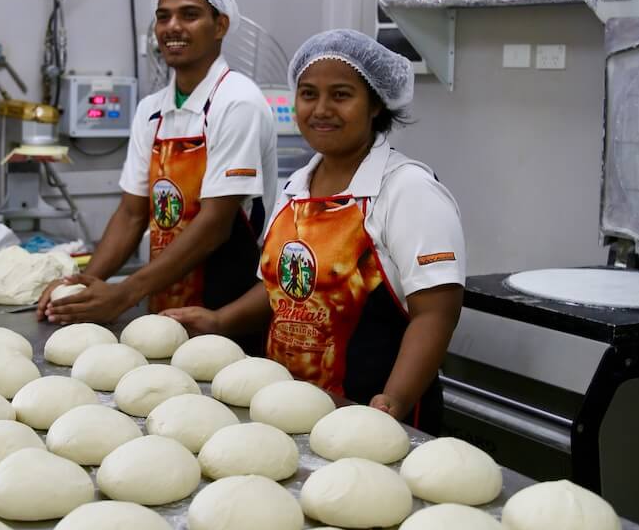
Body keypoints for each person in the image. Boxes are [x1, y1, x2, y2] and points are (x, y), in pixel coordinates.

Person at [165, 29, 465, 433]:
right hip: (286, 405)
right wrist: (220, 321)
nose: (321, 109)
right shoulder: (296, 188)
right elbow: (284, 291)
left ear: (375, 103)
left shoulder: (407, 190)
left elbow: (436, 314)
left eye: (341, 95)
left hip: (368, 415)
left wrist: (392, 402)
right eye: (308, 94)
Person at [40, 0, 278, 326]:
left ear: (221, 26)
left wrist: (125, 293)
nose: (173, 28)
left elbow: (216, 222)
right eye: (163, 17)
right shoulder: (151, 110)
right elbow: (132, 213)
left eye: (190, 15)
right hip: (164, 290)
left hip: (224, 302)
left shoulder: (236, 101)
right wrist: (88, 282)